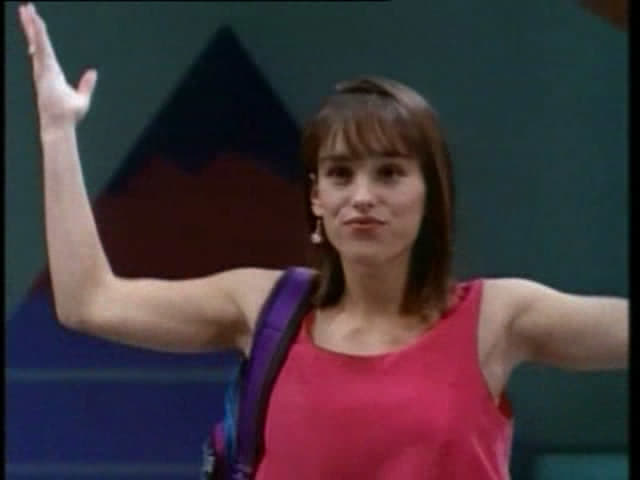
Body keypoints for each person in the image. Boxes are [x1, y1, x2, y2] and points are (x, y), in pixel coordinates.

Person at [18, 2, 628, 479]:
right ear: (316, 197)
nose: (362, 196)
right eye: (340, 174)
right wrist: (57, 131)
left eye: (389, 173)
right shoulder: (263, 308)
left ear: (431, 193)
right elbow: (88, 301)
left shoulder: (499, 318)